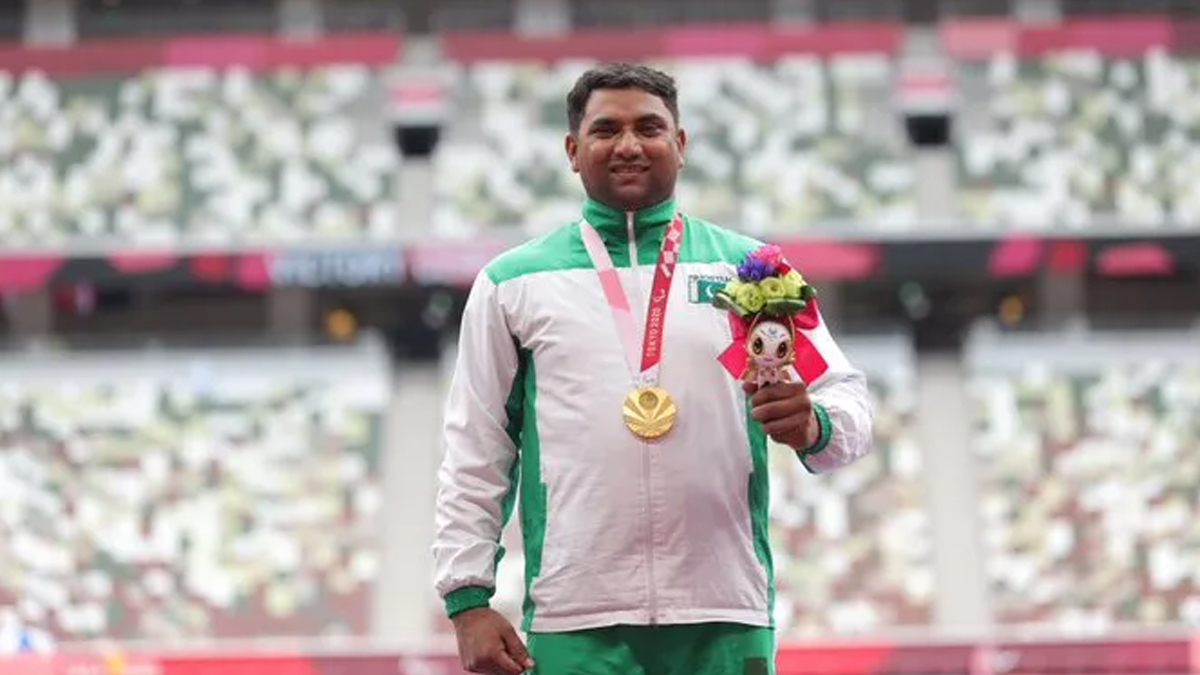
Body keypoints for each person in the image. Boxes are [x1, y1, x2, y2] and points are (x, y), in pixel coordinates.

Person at [432, 63, 874, 675]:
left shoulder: (753, 271)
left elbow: (848, 405)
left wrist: (814, 424)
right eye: (606, 130)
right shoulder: (514, 283)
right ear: (572, 150)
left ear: (681, 143)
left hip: (724, 612)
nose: (629, 145)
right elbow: (476, 447)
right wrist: (467, 598)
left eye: (649, 128)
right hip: (575, 617)